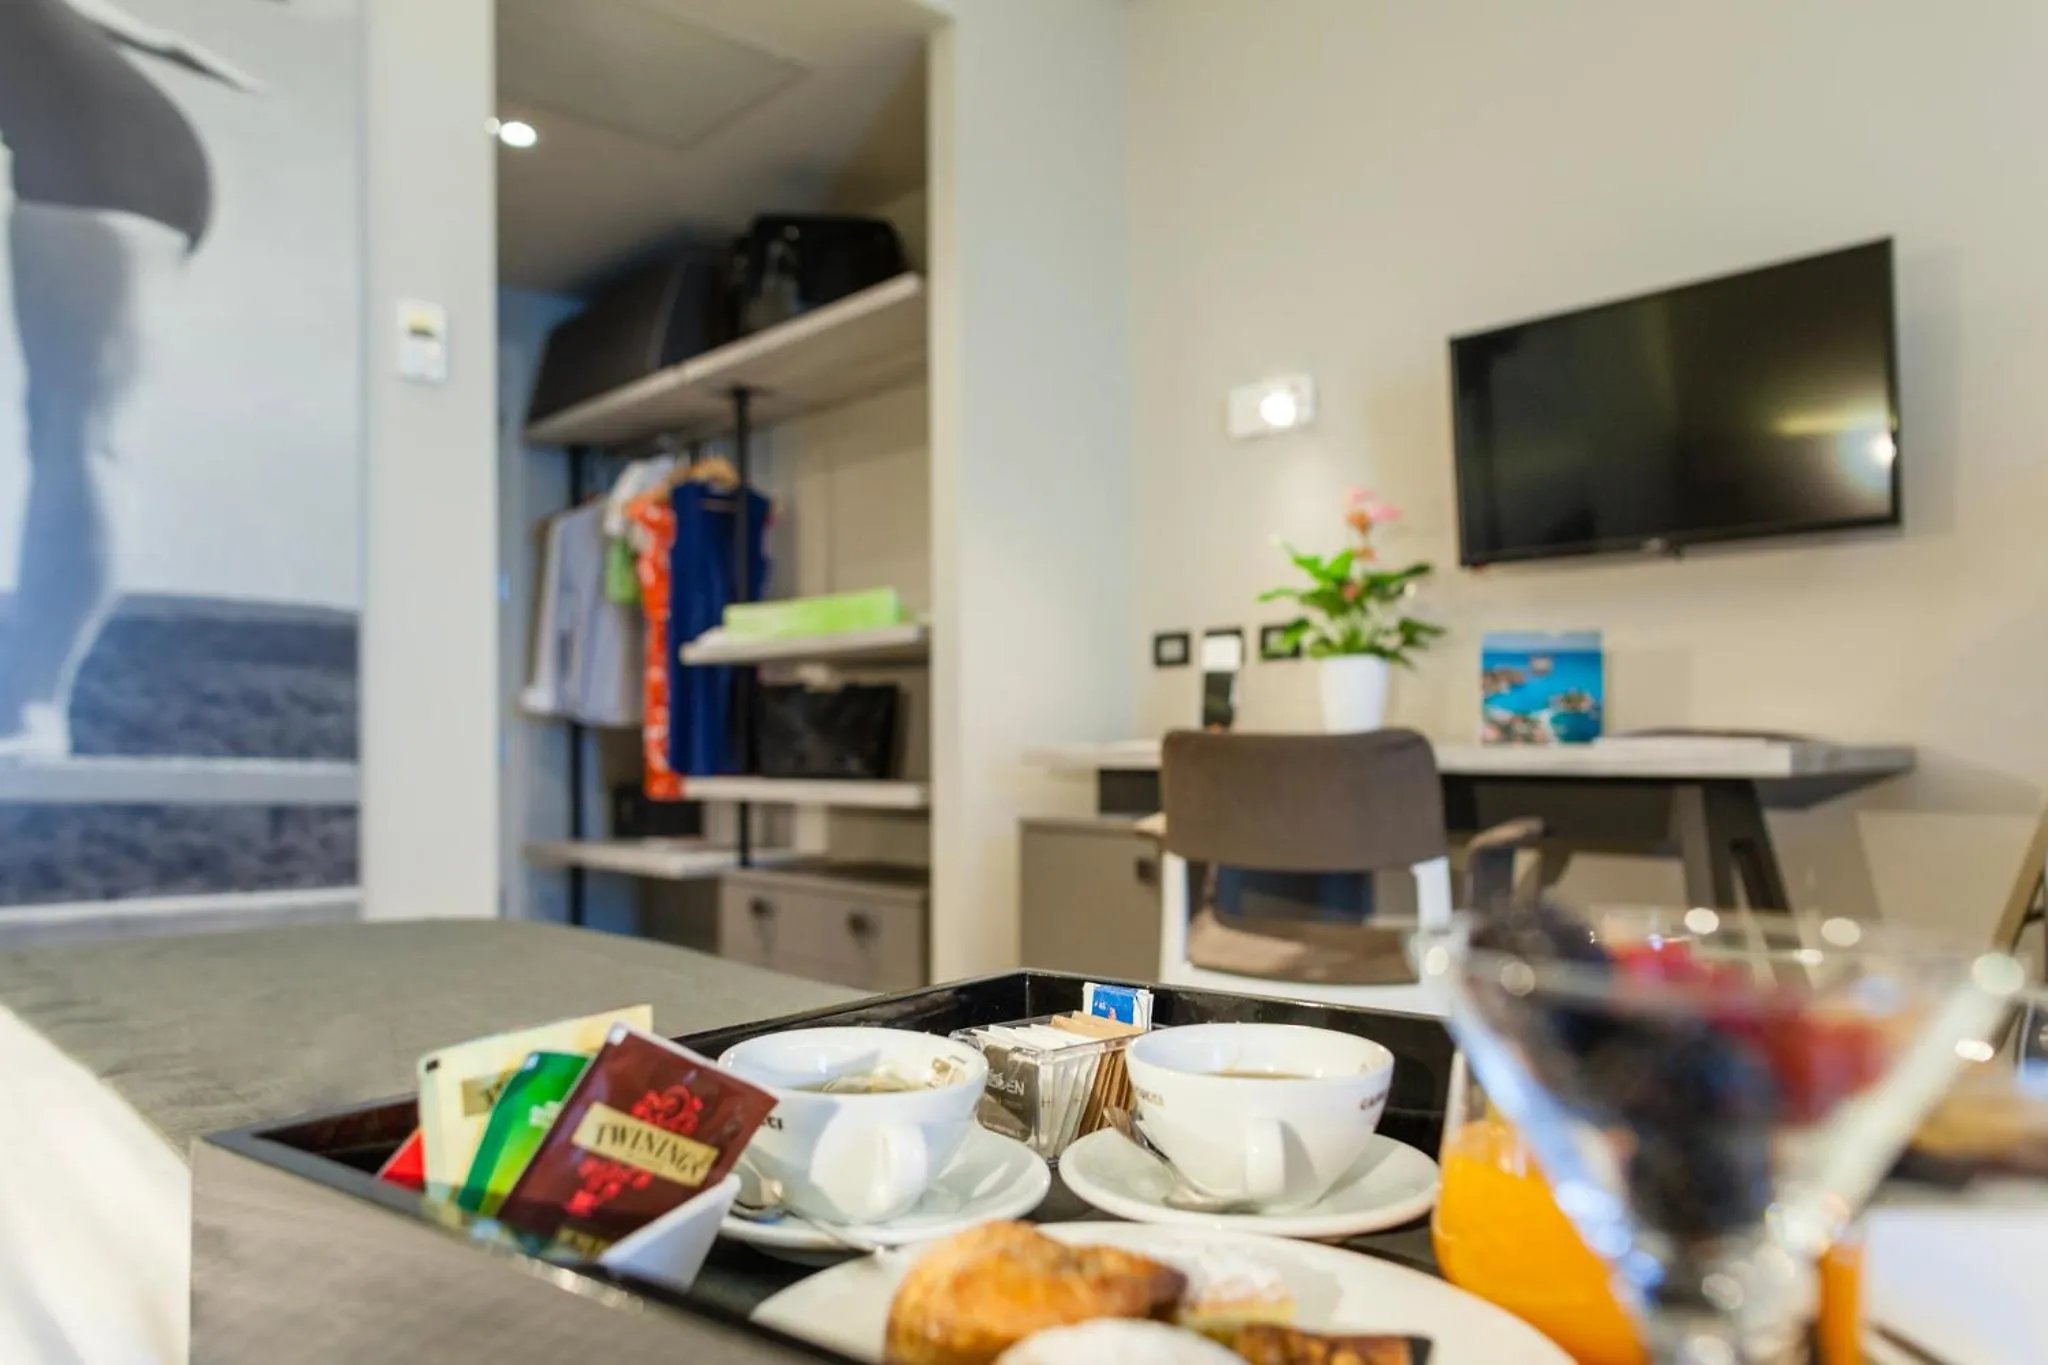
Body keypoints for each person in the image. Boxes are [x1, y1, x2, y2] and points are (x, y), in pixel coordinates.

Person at [0, 0, 266, 758]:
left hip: (96, 168)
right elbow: (135, 32)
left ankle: (34, 710)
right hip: (147, 158)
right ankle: (32, 702)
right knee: (69, 431)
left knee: (77, 437)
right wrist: (212, 66)